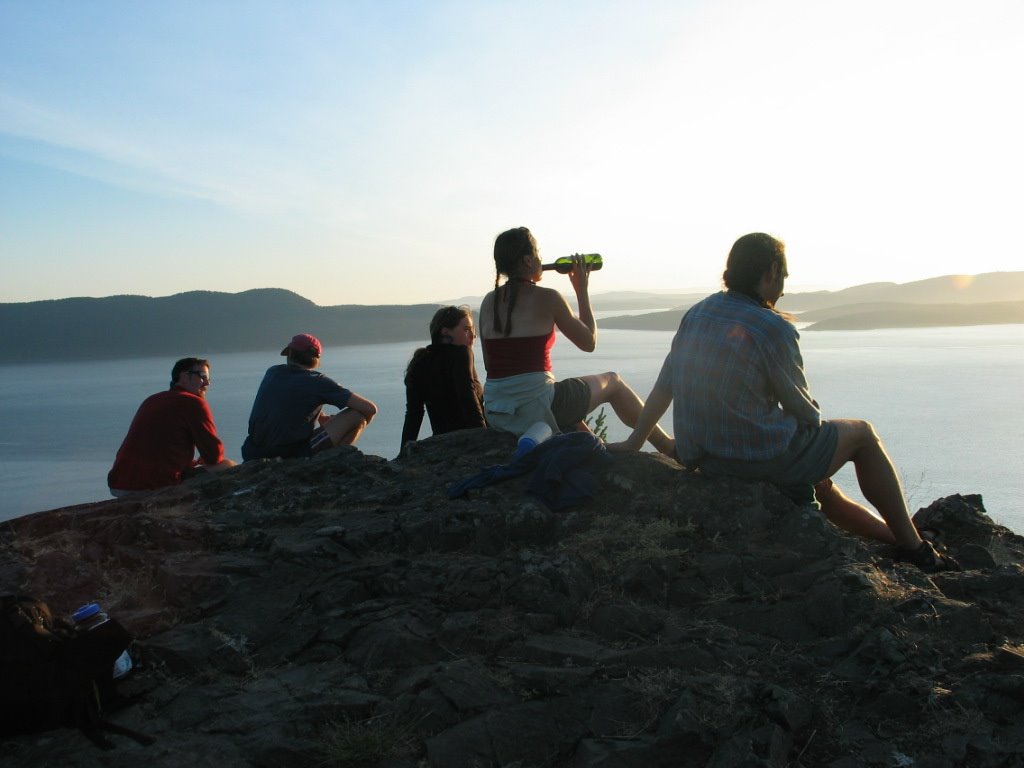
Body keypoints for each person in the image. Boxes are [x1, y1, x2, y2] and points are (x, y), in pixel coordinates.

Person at [609, 232, 959, 572]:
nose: (784, 285)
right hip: (757, 460)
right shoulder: (771, 327)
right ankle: (916, 548)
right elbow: (805, 412)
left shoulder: (696, 314)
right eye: (784, 275)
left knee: (822, 487)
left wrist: (636, 440)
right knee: (863, 435)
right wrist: (806, 430)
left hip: (707, 459)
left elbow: (663, 387)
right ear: (771, 272)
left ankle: (903, 540)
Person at [478, 226, 674, 453]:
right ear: (528, 261)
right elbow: (589, 342)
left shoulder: (487, 302)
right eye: (538, 253)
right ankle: (663, 446)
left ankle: (597, 449)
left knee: (564, 396)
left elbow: (495, 368)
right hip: (537, 408)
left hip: (497, 412)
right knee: (613, 382)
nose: (542, 259)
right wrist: (582, 290)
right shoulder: (548, 297)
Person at [108, 357, 235, 495]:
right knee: (227, 466)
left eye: (209, 378)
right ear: (185, 377)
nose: (207, 383)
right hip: (153, 486)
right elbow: (214, 456)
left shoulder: (152, 400)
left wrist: (189, 462)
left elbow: (155, 448)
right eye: (203, 376)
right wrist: (207, 458)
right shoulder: (194, 403)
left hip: (118, 484)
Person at [241, 333, 378, 460]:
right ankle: (335, 462)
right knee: (358, 416)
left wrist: (319, 418)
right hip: (291, 455)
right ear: (316, 360)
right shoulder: (317, 381)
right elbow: (370, 409)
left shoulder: (272, 372)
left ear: (290, 354)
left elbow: (290, 402)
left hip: (252, 453)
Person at [401, 305, 486, 448]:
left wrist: (403, 451)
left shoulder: (419, 362)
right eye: (466, 330)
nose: (473, 336)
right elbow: (467, 397)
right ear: (446, 332)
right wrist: (484, 436)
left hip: (441, 444)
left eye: (473, 330)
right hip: (468, 441)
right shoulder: (463, 354)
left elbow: (414, 415)